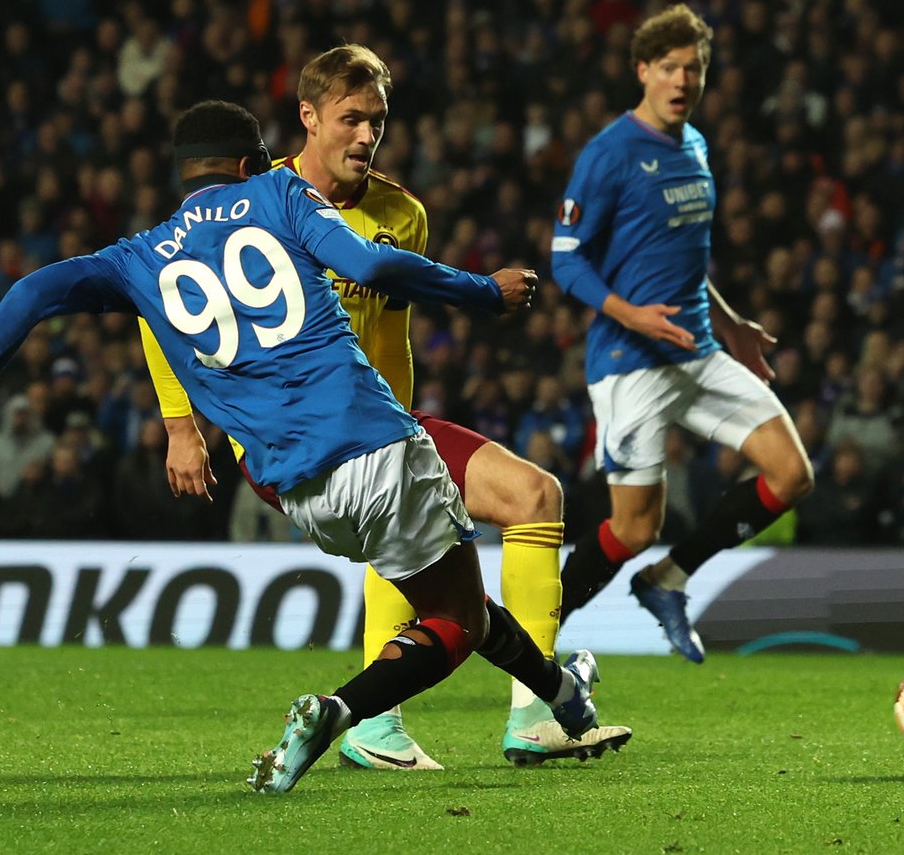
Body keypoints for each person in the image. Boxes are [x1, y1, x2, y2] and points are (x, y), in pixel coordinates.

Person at [0, 99, 603, 795]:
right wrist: (484, 291)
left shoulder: (138, 256)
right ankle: (343, 713)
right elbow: (371, 262)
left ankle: (561, 697)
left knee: (455, 600)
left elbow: (30, 291)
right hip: (372, 440)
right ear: (251, 164)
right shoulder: (277, 191)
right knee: (457, 616)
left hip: (297, 491)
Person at [141, 46, 631, 767]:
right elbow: (158, 308)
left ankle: (383, 725)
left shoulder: (400, 214)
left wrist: (400, 432)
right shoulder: (252, 200)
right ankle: (529, 713)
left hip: (376, 425)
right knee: (493, 528)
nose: (366, 136)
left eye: (377, 120)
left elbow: (392, 332)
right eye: (349, 119)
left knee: (519, 502)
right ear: (306, 118)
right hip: (286, 443)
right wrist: (181, 427)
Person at [551, 4, 815, 661]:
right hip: (630, 359)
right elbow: (563, 258)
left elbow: (685, 259)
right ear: (642, 71)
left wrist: (730, 325)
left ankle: (668, 580)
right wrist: (629, 313)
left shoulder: (693, 145)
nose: (681, 80)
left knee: (790, 475)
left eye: (693, 69)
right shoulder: (608, 154)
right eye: (668, 67)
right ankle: (532, 630)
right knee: (634, 527)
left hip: (696, 349)